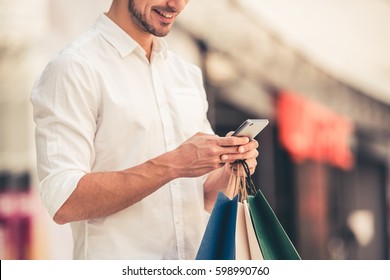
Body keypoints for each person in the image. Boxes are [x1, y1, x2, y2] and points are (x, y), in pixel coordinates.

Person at [31, 0, 259, 260]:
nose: (176, 5)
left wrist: (228, 168)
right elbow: (64, 199)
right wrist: (175, 163)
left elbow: (200, 198)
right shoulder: (74, 69)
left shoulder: (185, 74)